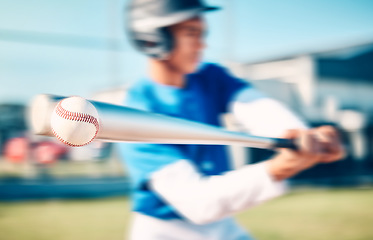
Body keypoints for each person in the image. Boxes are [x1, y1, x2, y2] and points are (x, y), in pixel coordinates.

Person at [119, 0, 345, 239]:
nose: (202, 44)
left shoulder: (209, 77)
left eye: (202, 33)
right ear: (152, 38)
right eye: (191, 32)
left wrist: (303, 136)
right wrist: (281, 167)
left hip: (221, 225)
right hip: (166, 230)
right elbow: (198, 203)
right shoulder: (136, 112)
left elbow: (256, 107)